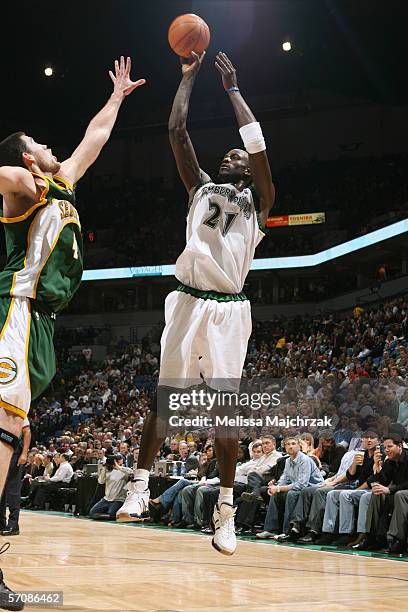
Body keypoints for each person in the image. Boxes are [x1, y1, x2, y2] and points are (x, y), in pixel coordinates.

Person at [0, 55, 145, 607]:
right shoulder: (20, 186)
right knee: (7, 428)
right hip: (15, 307)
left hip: (42, 325)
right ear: (24, 157)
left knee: (15, 435)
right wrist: (17, 171)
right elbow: (7, 174)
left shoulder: (61, 185)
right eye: (36, 142)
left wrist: (116, 96)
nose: (48, 145)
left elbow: (95, 139)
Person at [116, 50, 274, 557]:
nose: (232, 156)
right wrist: (189, 78)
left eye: (238, 157)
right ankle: (140, 486)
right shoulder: (201, 189)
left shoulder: (261, 203)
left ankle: (226, 512)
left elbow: (258, 142)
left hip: (229, 309)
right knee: (166, 402)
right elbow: (177, 132)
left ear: (249, 172)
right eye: (227, 155)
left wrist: (232, 90)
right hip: (187, 300)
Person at [0, 419, 30, 536]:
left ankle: (13, 524)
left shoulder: (18, 410)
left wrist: (24, 453)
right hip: (2, 452)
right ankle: (1, 523)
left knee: (13, 489)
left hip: (14, 452)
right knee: (1, 489)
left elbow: (27, 432)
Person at [89, 455, 132, 520]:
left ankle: (109, 513)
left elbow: (131, 472)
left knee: (112, 515)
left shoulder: (124, 471)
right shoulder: (108, 471)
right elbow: (100, 482)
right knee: (92, 512)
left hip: (118, 500)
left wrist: (117, 466)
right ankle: (108, 512)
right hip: (106, 499)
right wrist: (103, 468)